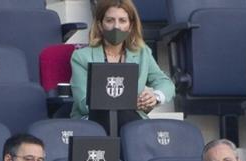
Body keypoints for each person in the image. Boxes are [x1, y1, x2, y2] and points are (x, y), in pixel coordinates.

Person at [70, 0, 175, 133]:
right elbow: (83, 103)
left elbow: (165, 83)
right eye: (110, 20)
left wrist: (155, 96)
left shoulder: (142, 53)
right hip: (93, 122)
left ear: (131, 25)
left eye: (122, 20)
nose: (116, 27)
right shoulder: (81, 57)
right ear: (100, 24)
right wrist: (127, 103)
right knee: (127, 122)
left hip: (131, 121)